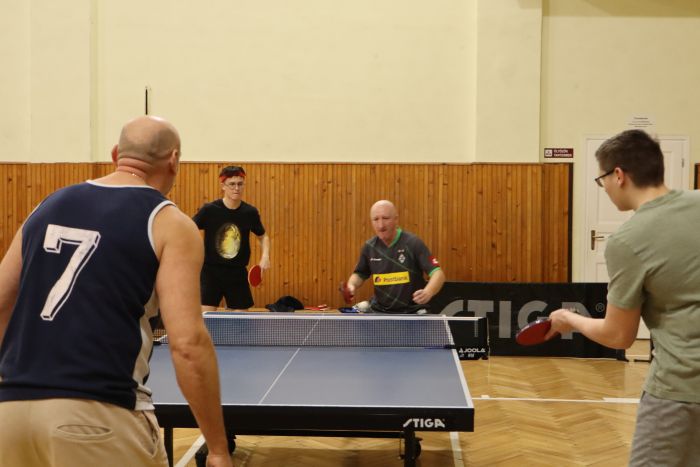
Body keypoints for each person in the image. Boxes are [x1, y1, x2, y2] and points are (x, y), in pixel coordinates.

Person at [0, 116, 232, 467]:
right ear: (173, 160)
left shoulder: (45, 206)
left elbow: (3, 304)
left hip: (11, 414)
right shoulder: (168, 223)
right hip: (99, 415)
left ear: (114, 154)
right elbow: (187, 344)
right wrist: (217, 448)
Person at [546, 129, 700, 466]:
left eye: (602, 180)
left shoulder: (627, 241)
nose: (604, 188)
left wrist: (568, 319)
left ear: (618, 175)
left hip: (680, 391)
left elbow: (618, 335)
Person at [344, 200, 445, 314]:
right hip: (380, 312)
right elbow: (359, 274)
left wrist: (428, 292)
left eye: (385, 218)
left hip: (412, 312)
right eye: (376, 219)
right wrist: (351, 285)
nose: (381, 225)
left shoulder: (413, 243)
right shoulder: (369, 247)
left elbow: (438, 274)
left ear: (396, 219)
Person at [193, 165, 270, 311]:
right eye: (232, 184)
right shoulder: (209, 210)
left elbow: (263, 236)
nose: (236, 188)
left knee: (240, 320)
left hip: (237, 273)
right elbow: (189, 228)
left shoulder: (250, 212)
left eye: (240, 184)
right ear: (223, 186)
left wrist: (265, 256)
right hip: (211, 272)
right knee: (206, 318)